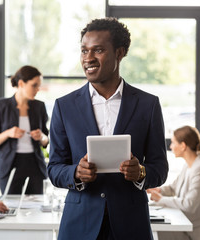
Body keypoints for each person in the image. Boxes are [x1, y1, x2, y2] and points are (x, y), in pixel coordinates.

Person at [47, 17, 168, 240]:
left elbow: (160, 168)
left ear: (120, 53)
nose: (88, 58)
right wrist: (75, 173)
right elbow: (54, 168)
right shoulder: (64, 106)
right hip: (78, 225)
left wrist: (140, 172)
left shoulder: (148, 105)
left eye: (98, 50)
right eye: (84, 51)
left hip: (131, 226)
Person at [147, 125, 200, 240]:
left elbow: (189, 204)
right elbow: (173, 188)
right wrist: (159, 190)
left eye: (173, 143)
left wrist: (160, 199)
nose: (171, 147)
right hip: (191, 225)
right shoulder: (189, 164)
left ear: (183, 146)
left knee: (154, 235)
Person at [0, 65, 49, 195]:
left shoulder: (39, 106)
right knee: (10, 207)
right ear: (21, 83)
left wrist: (41, 136)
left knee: (36, 208)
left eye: (39, 85)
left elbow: (46, 140)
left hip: (35, 165)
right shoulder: (1, 106)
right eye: (34, 85)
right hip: (10, 166)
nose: (38, 89)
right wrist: (8, 133)